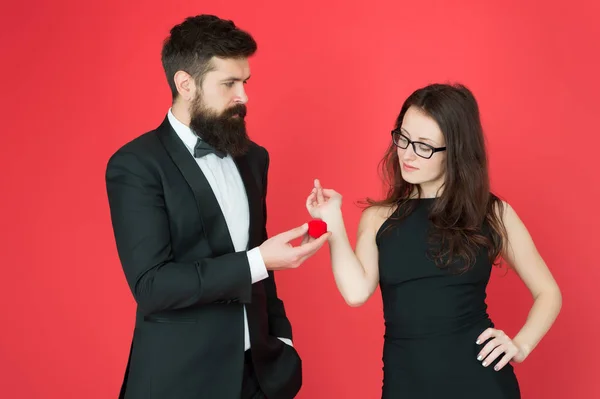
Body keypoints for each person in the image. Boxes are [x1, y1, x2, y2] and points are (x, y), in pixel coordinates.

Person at [105, 14, 329, 399]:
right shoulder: (135, 165)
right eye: (229, 83)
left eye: (245, 82)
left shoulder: (253, 157)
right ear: (185, 84)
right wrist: (259, 261)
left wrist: (283, 342)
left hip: (258, 375)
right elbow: (153, 286)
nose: (243, 96)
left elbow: (261, 268)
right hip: (179, 381)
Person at [306, 83, 562, 398]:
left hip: (481, 384)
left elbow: (549, 292)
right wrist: (331, 220)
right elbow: (356, 293)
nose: (407, 154)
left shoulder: (492, 212)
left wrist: (521, 345)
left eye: (424, 146)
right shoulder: (379, 217)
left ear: (455, 152)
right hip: (406, 384)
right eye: (403, 138)